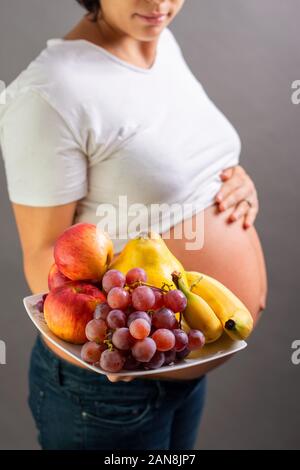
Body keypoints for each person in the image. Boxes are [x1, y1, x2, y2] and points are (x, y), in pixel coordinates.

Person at [0, 0, 268, 450]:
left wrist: (234, 179)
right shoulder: (48, 93)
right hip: (110, 394)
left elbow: (170, 158)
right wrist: (111, 343)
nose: (159, 2)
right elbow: (41, 250)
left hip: (179, 368)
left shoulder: (157, 39)